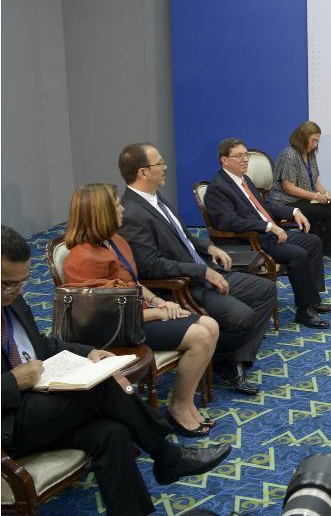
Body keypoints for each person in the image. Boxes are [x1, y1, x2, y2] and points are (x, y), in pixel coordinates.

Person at [1, 226, 231, 516]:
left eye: (21, 283)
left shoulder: (12, 300)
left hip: (38, 405)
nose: (14, 291)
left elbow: (42, 343)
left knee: (113, 433)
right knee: (103, 387)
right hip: (7, 423)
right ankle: (167, 454)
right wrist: (12, 381)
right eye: (7, 284)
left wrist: (88, 353)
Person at [117, 142, 275, 396]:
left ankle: (231, 360)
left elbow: (181, 236)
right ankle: (223, 361)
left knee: (266, 290)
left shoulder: (154, 198)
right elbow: (151, 265)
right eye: (160, 163)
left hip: (202, 270)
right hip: (183, 286)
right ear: (143, 172)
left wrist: (208, 247)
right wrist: (201, 272)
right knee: (242, 316)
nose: (165, 167)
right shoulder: (133, 212)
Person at [63, 183, 220, 436]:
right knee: (201, 335)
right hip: (112, 332)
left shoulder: (116, 241)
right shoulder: (82, 259)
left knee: (210, 324)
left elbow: (134, 284)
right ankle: (178, 408)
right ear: (101, 213)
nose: (122, 208)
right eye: (116, 205)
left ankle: (185, 403)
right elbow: (104, 315)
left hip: (136, 316)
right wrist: (158, 313)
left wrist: (159, 302)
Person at [204, 137, 331, 330]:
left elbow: (265, 205)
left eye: (246, 155)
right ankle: (304, 311)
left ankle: (313, 300)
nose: (245, 159)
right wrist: (267, 227)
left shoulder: (244, 179)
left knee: (313, 241)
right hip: (251, 240)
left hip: (268, 234)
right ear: (224, 160)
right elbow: (229, 222)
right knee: (297, 254)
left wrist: (293, 212)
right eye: (239, 156)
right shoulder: (218, 188)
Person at [270, 121, 331, 267]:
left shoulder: (310, 154)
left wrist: (326, 194)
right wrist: (316, 196)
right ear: (302, 137)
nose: (315, 144)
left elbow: (315, 180)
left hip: (303, 199)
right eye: (313, 140)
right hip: (286, 202)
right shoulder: (289, 154)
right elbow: (288, 188)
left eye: (317, 141)